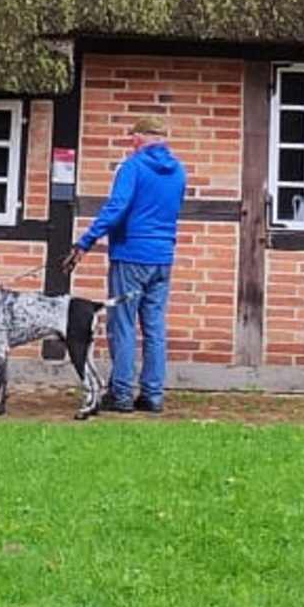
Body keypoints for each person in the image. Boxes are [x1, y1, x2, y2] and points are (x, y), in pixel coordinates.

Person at [62, 114, 186, 415]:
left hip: (131, 254)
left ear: (140, 137)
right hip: (163, 257)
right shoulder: (179, 170)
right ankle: (153, 395)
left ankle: (121, 394)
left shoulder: (133, 167)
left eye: (133, 137)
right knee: (155, 327)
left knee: (123, 324)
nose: (131, 143)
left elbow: (117, 208)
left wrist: (85, 242)